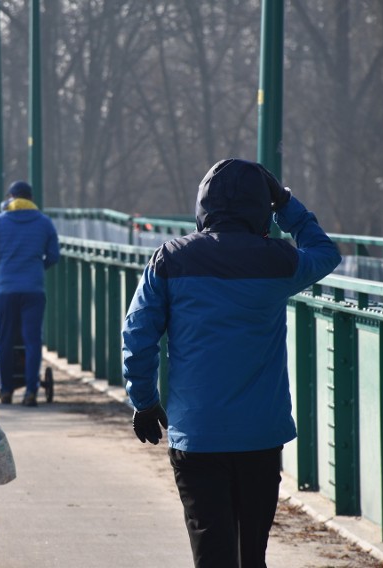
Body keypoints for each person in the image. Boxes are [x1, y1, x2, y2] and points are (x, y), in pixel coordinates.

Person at [122, 159, 341, 568]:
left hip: (197, 434)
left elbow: (138, 334)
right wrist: (287, 204)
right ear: (262, 207)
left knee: (212, 553)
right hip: (259, 434)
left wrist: (145, 401)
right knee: (249, 554)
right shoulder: (278, 260)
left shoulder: (169, 260)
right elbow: (325, 253)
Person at [0, 181, 60, 406]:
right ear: (31, 198)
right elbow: (53, 255)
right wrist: (37, 268)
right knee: (33, 340)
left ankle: (5, 391)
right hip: (33, 289)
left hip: (6, 289)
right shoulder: (44, 223)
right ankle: (31, 391)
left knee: (4, 339)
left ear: (11, 197)